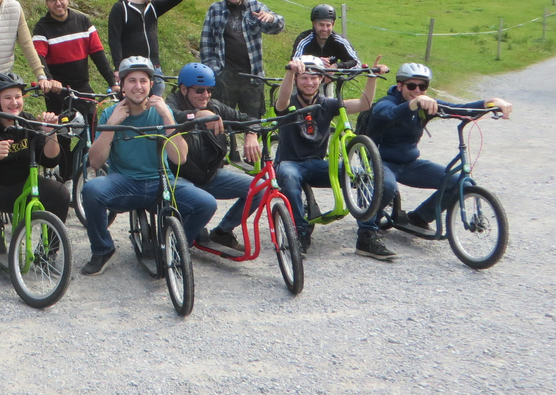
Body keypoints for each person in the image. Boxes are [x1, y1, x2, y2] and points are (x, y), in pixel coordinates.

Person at [80, 57, 212, 276]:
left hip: (162, 182)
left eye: (143, 81)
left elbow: (180, 159)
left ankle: (175, 246)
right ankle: (103, 249)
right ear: (122, 85)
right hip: (126, 182)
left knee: (206, 203)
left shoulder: (161, 111)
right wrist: (112, 125)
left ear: (152, 84)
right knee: (91, 190)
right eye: (131, 81)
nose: (138, 86)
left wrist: (168, 117)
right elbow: (95, 161)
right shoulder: (110, 114)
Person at [366, 63, 512, 240]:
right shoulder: (387, 102)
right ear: (400, 86)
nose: (417, 90)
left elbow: (459, 109)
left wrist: (491, 102)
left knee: (462, 184)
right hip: (382, 162)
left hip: (409, 164)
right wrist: (413, 104)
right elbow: (387, 113)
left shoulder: (427, 104)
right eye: (412, 86)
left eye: (423, 87)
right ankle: (368, 228)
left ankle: (419, 217)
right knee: (387, 187)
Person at [0, 72, 69, 282]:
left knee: (60, 193)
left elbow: (50, 161)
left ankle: (48, 254)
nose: (14, 102)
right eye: (7, 98)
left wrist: (50, 133)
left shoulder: (27, 122)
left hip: (21, 185)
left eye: (17, 97)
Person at [273, 55, 386, 257]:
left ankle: (367, 233)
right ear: (297, 80)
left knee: (363, 176)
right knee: (289, 179)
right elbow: (281, 102)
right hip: (290, 163)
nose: (309, 82)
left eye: (314, 77)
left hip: (317, 164)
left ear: (321, 79)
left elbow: (364, 104)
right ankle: (300, 231)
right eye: (304, 78)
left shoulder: (327, 104)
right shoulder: (288, 102)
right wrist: (289, 72)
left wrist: (372, 77)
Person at [164, 62, 261, 253]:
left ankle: (223, 232)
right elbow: (174, 116)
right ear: (183, 89)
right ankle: (175, 248)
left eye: (209, 90)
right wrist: (197, 115)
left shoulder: (214, 107)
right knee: (205, 203)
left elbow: (249, 119)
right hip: (179, 179)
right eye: (200, 90)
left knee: (259, 188)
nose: (206, 95)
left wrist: (251, 133)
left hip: (210, 176)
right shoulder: (168, 106)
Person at [31, 0, 117, 179]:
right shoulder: (42, 27)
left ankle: (83, 163)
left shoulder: (82, 21)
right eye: (53, 0)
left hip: (82, 87)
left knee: (95, 128)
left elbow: (98, 54)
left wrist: (113, 82)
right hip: (57, 91)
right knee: (62, 137)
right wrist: (48, 80)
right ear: (46, 4)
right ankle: (66, 176)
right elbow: (39, 58)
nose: (58, 3)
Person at [199, 0, 285, 118]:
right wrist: (214, 71)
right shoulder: (215, 9)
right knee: (221, 119)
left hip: (252, 75)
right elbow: (206, 42)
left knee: (252, 122)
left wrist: (271, 18)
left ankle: (251, 141)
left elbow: (278, 26)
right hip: (224, 76)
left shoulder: (255, 7)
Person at [107, 0, 183, 96]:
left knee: (155, 108)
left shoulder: (153, 7)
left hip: (154, 68)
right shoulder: (121, 8)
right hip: (131, 70)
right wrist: (118, 67)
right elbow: (114, 39)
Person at [291, 4, 360, 69]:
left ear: (333, 24)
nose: (325, 29)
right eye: (321, 25)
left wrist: (337, 66)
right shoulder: (303, 39)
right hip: (307, 79)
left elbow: (356, 63)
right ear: (314, 24)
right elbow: (294, 62)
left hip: (329, 79)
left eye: (328, 25)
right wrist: (316, 61)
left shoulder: (339, 40)